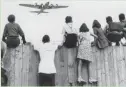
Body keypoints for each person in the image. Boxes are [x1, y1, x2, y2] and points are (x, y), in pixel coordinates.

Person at [61, 16, 78, 86]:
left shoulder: (64, 26)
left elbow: (63, 35)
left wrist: (62, 43)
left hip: (68, 41)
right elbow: (77, 34)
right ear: (71, 20)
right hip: (74, 41)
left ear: (66, 21)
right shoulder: (74, 26)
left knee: (66, 37)